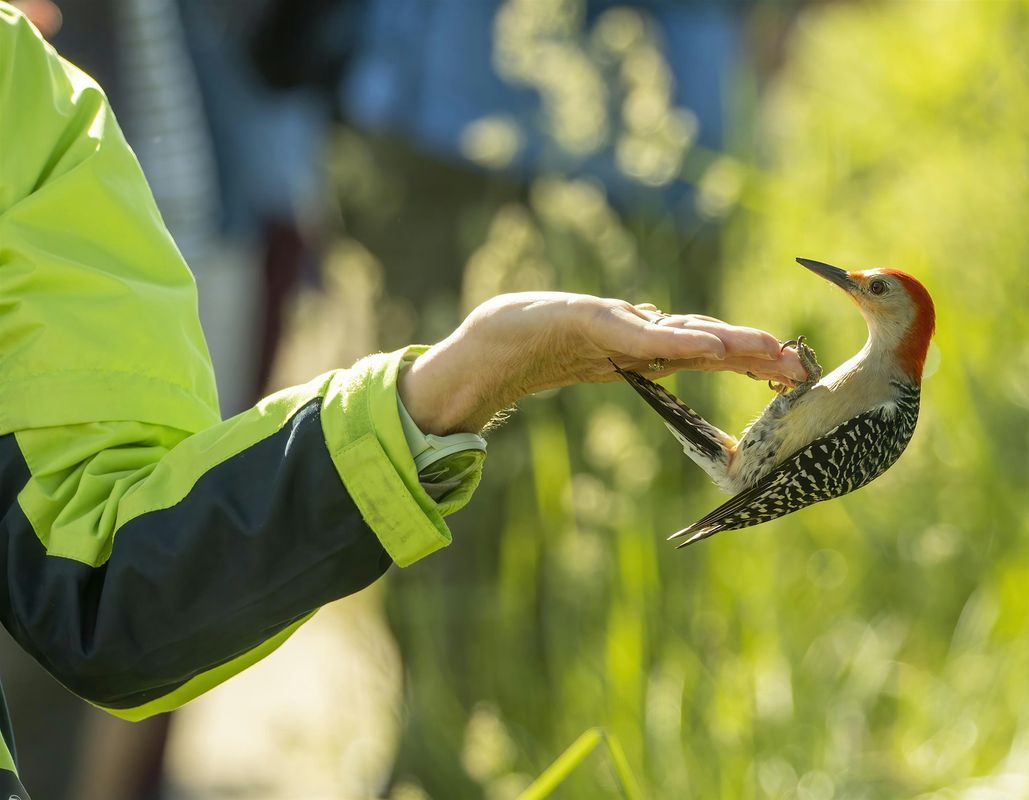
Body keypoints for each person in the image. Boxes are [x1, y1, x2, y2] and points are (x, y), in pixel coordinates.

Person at [0, 5, 806, 797]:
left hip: (632, 149)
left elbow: (101, 587)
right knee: (465, 587)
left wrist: (453, 388)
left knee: (631, 553)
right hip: (438, 123)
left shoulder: (25, 94)